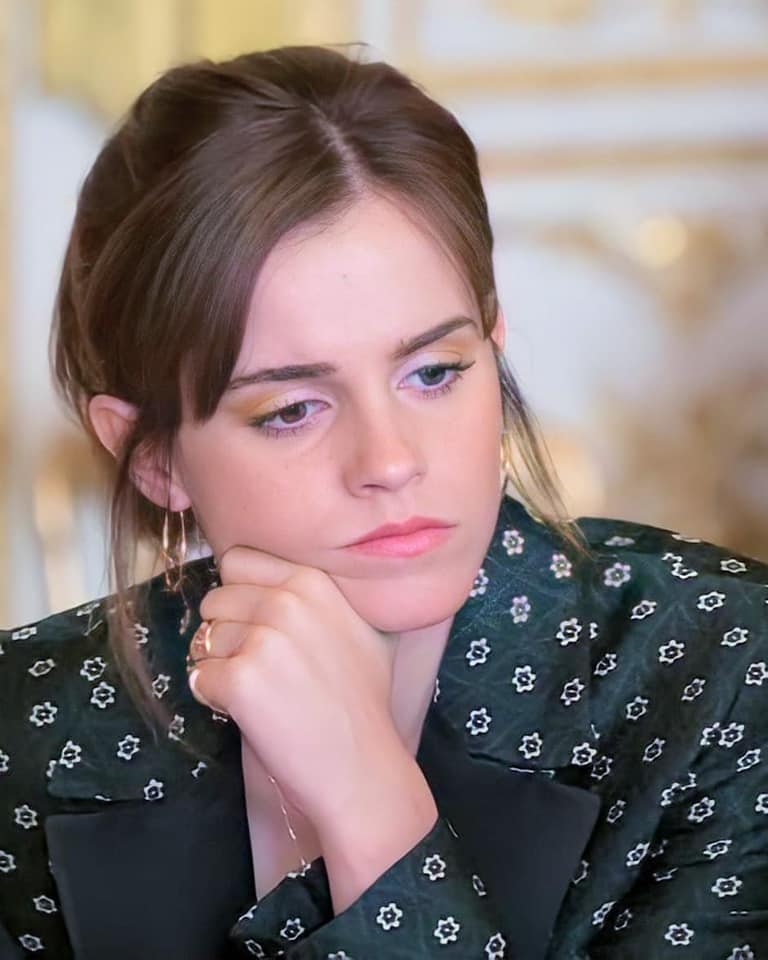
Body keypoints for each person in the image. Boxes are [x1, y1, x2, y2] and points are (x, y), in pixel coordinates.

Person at [0, 44, 765, 960]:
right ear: (155, 457)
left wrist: (370, 801)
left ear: (494, 345)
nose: (391, 461)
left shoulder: (724, 671)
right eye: (291, 409)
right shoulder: (26, 720)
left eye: (434, 372)